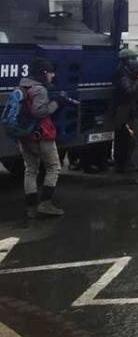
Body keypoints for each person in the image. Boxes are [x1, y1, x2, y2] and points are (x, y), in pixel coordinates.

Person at [17, 57, 71, 217]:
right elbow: (38, 111)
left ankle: (31, 207)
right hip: (41, 134)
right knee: (54, 167)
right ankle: (45, 203)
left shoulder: (22, 86)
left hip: (24, 133)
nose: (53, 75)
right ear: (44, 73)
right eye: (51, 72)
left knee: (31, 169)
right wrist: (57, 104)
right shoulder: (40, 89)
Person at [112, 49, 138, 177]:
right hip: (132, 115)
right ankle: (131, 168)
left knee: (135, 143)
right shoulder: (123, 76)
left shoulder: (130, 76)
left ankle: (131, 167)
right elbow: (129, 92)